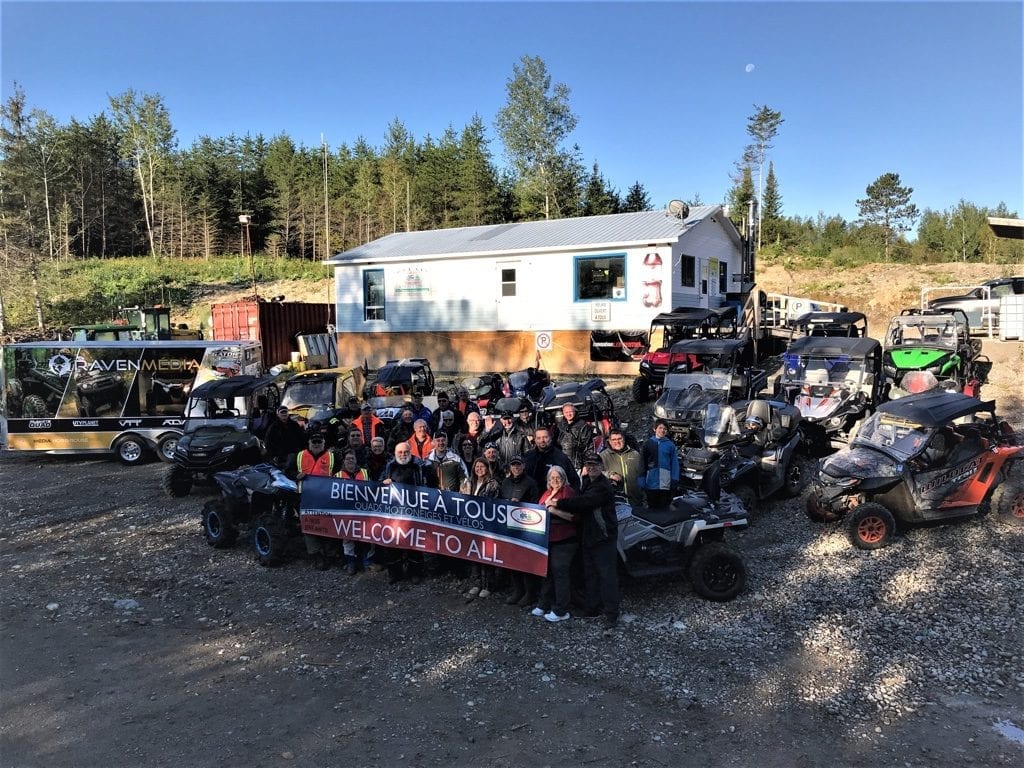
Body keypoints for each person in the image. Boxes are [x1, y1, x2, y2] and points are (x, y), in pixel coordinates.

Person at [547, 453, 620, 633]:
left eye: (595, 465)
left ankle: (612, 614)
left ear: (602, 466)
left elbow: (584, 502)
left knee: (607, 576)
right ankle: (592, 608)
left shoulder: (603, 486)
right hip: (588, 536)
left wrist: (558, 503)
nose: (592, 467)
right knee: (590, 575)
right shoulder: (586, 481)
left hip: (603, 537)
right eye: (589, 465)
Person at [379, 442, 434, 584]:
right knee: (393, 543)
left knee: (414, 543)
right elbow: (379, 482)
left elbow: (428, 485)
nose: (403, 455)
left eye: (405, 452)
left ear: (410, 452)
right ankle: (395, 573)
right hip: (394, 512)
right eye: (400, 452)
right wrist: (384, 482)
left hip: (414, 511)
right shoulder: (389, 465)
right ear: (395, 453)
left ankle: (415, 572)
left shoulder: (419, 465)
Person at [531, 466, 578, 623]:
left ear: (563, 478)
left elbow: (574, 516)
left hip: (564, 539)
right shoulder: (546, 493)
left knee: (560, 573)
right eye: (552, 478)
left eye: (558, 477)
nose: (555, 480)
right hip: (547, 539)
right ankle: (544, 604)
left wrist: (554, 510)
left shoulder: (568, 492)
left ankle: (561, 609)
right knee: (547, 572)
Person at [500, 455, 541, 607]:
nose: (516, 468)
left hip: (526, 526)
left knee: (525, 560)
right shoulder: (505, 482)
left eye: (519, 465)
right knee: (512, 559)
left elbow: (536, 505)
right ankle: (517, 590)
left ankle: (530, 593)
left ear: (523, 466)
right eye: (513, 465)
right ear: (510, 467)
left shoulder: (531, 483)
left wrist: (521, 504)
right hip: (508, 526)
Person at [294, 433, 338, 571]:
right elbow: (288, 471)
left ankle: (330, 554)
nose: (317, 444)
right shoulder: (299, 455)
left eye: (319, 441)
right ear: (309, 442)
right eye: (314, 441)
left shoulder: (333, 457)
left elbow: (339, 474)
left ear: (324, 442)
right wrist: (295, 476)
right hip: (306, 496)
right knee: (309, 525)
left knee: (328, 524)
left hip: (326, 496)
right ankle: (316, 554)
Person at [460, 458, 501, 599]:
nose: (479, 469)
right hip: (471, 524)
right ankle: (476, 583)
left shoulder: (493, 484)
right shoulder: (468, 482)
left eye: (482, 466)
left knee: (486, 555)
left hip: (486, 525)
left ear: (487, 468)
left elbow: (493, 503)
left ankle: (487, 585)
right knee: (473, 554)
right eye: (477, 466)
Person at [333, 450, 371, 575]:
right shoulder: (337, 475)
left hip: (363, 511)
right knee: (347, 539)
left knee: (366, 537)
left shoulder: (365, 473)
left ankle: (366, 562)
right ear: (344, 461)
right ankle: (351, 563)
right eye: (348, 459)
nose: (350, 461)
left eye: (352, 459)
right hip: (345, 512)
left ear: (356, 460)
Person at [524, 425, 580, 493]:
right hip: (531, 498)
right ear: (535, 440)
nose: (542, 440)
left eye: (545, 437)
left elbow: (574, 480)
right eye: (539, 438)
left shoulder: (560, 457)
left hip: (553, 498)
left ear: (550, 438)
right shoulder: (527, 457)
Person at [600, 428, 645, 507]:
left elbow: (643, 476)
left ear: (624, 439)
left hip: (636, 502)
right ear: (609, 441)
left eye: (619, 439)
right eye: (614, 439)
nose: (617, 442)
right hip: (616, 503)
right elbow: (595, 473)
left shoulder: (635, 454)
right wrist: (609, 475)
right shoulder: (603, 456)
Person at [642, 420, 679, 509]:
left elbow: (674, 463)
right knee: (652, 507)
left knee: (664, 506)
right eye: (660, 428)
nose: (662, 430)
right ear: (654, 429)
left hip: (665, 481)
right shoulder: (648, 444)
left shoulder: (670, 445)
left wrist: (675, 479)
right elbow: (643, 463)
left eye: (665, 429)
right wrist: (641, 478)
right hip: (651, 481)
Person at [558, 403, 598, 472]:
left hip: (578, 465)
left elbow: (588, 447)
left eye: (570, 412)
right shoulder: (560, 426)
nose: (568, 414)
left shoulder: (583, 426)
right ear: (563, 414)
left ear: (575, 412)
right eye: (566, 412)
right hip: (563, 465)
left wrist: (586, 464)